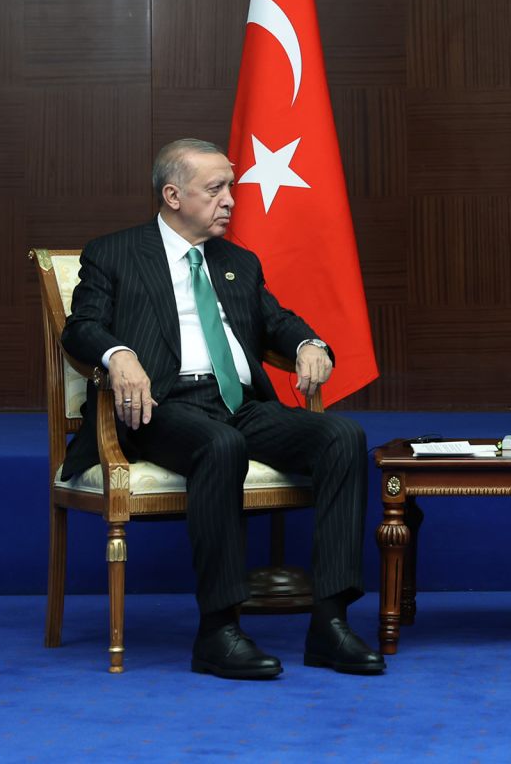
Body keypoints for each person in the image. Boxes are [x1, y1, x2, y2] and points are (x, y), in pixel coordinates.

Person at [62, 138, 384, 679]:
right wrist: (118, 354)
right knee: (220, 444)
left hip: (236, 402)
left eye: (230, 187)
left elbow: (275, 320)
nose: (231, 199)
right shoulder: (114, 253)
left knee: (342, 437)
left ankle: (329, 623)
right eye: (215, 189)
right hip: (160, 407)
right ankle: (218, 630)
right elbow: (82, 327)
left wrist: (309, 344)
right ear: (172, 195)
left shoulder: (238, 261)